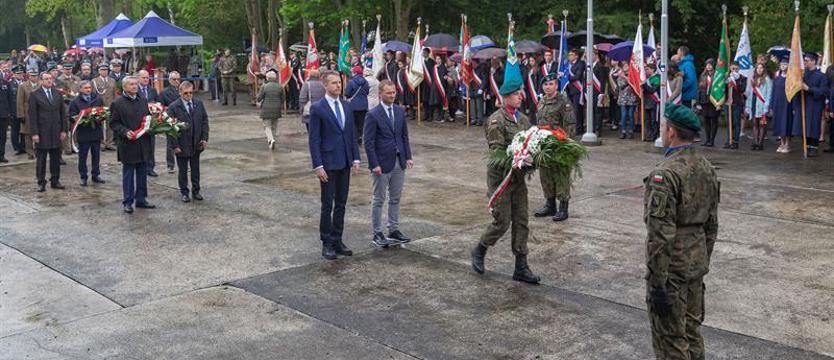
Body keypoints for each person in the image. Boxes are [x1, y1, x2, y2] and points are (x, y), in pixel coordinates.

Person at [645, 102, 719, 360]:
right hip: (695, 262)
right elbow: (712, 224)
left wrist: (657, 282)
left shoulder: (665, 175)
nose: (663, 130)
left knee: (670, 340)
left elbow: (660, 236)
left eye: (664, 126)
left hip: (672, 270)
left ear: (672, 131)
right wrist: (702, 258)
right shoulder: (706, 167)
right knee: (691, 331)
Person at [470, 75, 540, 285]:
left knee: (521, 221)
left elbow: (532, 144)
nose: (520, 97)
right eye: (516, 94)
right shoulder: (495, 121)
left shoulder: (524, 119)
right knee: (502, 221)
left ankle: (521, 266)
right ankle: (480, 249)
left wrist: (534, 159)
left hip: (517, 179)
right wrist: (519, 159)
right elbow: (497, 154)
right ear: (505, 97)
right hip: (501, 179)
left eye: (520, 94)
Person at [308, 70, 361, 260]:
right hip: (328, 163)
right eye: (333, 83)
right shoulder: (318, 108)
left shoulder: (346, 106)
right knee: (327, 204)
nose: (338, 86)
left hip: (344, 162)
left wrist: (355, 158)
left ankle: (338, 239)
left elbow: (351, 134)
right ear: (325, 85)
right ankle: (327, 242)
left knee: (341, 203)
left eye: (339, 82)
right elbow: (314, 140)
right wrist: (318, 165)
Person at [363, 80, 414, 247]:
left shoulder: (399, 111)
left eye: (393, 93)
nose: (392, 96)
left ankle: (393, 229)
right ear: (380, 94)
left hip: (399, 162)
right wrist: (374, 164)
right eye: (388, 93)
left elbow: (404, 136)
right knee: (379, 199)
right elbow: (368, 142)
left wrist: (408, 156)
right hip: (381, 163)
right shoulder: (373, 114)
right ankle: (377, 233)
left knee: (395, 198)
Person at [534, 72, 576, 221]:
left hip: (559, 144)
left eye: (551, 84)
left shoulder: (563, 101)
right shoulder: (542, 101)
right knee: (546, 175)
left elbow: (569, 124)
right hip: (545, 145)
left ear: (556, 85)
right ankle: (549, 205)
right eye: (545, 84)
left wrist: (566, 145)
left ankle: (563, 208)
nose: (548, 87)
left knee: (561, 176)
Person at [109, 76, 155, 214]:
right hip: (127, 144)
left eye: (136, 84)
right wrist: (125, 131)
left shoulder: (143, 100)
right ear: (124, 87)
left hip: (142, 143)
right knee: (128, 174)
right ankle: (128, 202)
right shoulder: (117, 103)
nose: (135, 86)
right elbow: (114, 123)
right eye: (131, 84)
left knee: (142, 173)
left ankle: (141, 199)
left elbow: (147, 119)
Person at [167, 81, 209, 202]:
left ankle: (196, 191)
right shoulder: (174, 107)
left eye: (191, 93)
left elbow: (204, 121)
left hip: (196, 142)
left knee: (195, 169)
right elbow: (170, 128)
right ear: (180, 93)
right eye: (186, 93)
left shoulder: (198, 104)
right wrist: (175, 146)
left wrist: (204, 138)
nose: (189, 95)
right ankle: (184, 192)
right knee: (183, 170)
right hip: (182, 143)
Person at [28, 72, 67, 192]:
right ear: (41, 81)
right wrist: (34, 133)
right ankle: (41, 182)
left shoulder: (57, 93)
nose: (49, 81)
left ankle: (55, 180)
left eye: (50, 79)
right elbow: (32, 116)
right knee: (41, 159)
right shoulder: (35, 95)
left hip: (56, 131)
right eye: (46, 79)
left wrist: (64, 130)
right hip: (42, 132)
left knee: (56, 158)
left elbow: (63, 113)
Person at [69, 81, 105, 186]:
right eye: (85, 88)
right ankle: (83, 176)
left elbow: (102, 111)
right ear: (80, 89)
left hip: (95, 132)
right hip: (83, 133)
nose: (88, 90)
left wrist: (100, 116)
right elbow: (71, 115)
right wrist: (79, 118)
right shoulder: (75, 101)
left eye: (89, 87)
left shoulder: (97, 99)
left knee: (96, 156)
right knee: (83, 156)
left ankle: (96, 174)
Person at [791, 53, 828, 157]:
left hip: (814, 105)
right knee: (803, 126)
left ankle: (814, 147)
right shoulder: (802, 75)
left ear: (813, 61)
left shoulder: (821, 76)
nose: (805, 62)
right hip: (803, 104)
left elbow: (823, 91)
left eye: (807, 60)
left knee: (813, 125)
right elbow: (796, 90)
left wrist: (809, 89)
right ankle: (806, 145)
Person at [746, 63, 772, 150]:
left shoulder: (767, 79)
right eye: (758, 68)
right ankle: (755, 142)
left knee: (762, 124)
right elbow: (750, 92)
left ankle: (760, 143)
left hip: (762, 104)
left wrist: (766, 105)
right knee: (754, 123)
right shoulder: (754, 79)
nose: (759, 69)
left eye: (761, 68)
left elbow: (769, 94)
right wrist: (748, 105)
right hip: (754, 102)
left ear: (764, 69)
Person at [257, 70, 284, 150]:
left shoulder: (264, 86)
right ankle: (272, 140)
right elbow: (283, 99)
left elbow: (259, 98)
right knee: (274, 126)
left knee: (267, 126)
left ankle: (271, 140)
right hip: (277, 109)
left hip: (266, 109)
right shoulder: (280, 87)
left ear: (267, 78)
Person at [92, 63, 116, 151]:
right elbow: (93, 95)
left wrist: (115, 104)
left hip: (110, 105)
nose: (104, 72)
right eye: (102, 70)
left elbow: (114, 94)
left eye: (106, 70)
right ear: (99, 71)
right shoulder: (94, 81)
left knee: (110, 124)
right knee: (100, 125)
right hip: (99, 106)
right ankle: (102, 143)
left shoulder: (112, 81)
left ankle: (109, 142)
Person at [771, 57, 793, 153]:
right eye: (782, 64)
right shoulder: (777, 78)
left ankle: (787, 144)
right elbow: (773, 92)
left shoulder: (791, 78)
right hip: (777, 104)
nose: (783, 66)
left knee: (786, 124)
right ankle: (782, 143)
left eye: (785, 64)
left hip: (787, 105)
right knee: (779, 124)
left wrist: (794, 107)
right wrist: (771, 105)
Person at [17, 69, 39, 160]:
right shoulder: (23, 86)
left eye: (35, 76)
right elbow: (19, 101)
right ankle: (30, 152)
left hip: (39, 113)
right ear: (29, 76)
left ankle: (38, 150)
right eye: (32, 76)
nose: (34, 77)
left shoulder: (40, 85)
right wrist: (21, 115)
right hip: (27, 113)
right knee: (28, 133)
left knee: (39, 132)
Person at [696, 59, 719, 147]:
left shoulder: (717, 75)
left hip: (713, 101)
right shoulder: (703, 75)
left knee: (714, 120)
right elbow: (699, 89)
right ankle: (707, 139)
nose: (708, 66)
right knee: (706, 121)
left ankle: (712, 140)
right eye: (707, 64)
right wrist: (698, 102)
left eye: (710, 64)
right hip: (704, 100)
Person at [345, 65, 370, 144]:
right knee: (361, 122)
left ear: (355, 72)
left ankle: (355, 138)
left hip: (353, 105)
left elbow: (347, 93)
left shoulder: (351, 82)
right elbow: (367, 92)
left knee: (354, 122)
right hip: (364, 105)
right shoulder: (365, 82)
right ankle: (360, 136)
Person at [564, 49, 586, 134]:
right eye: (569, 55)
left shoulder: (580, 64)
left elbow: (577, 76)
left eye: (572, 55)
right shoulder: (568, 65)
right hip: (569, 90)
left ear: (576, 56)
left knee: (577, 110)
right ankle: (574, 127)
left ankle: (578, 129)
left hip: (577, 90)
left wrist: (567, 78)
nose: (570, 56)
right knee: (572, 110)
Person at [614, 62, 638, 139]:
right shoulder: (620, 76)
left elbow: (634, 84)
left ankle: (631, 131)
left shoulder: (633, 76)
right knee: (623, 115)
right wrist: (624, 77)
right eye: (624, 66)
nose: (625, 67)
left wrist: (628, 78)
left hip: (632, 98)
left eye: (627, 66)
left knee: (631, 115)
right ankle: (623, 131)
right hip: (623, 98)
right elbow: (621, 86)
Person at [9, 66, 24, 156]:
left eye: (21, 73)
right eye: (18, 73)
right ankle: (16, 147)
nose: (20, 75)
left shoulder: (25, 83)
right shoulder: (10, 84)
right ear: (14, 75)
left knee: (23, 130)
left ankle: (23, 146)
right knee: (15, 130)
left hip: (23, 111)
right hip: (14, 111)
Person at [0, 71, 15, 162]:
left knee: (3, 136)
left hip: (4, 114)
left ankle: (1, 155)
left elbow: (10, 99)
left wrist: (11, 112)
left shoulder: (5, 83)